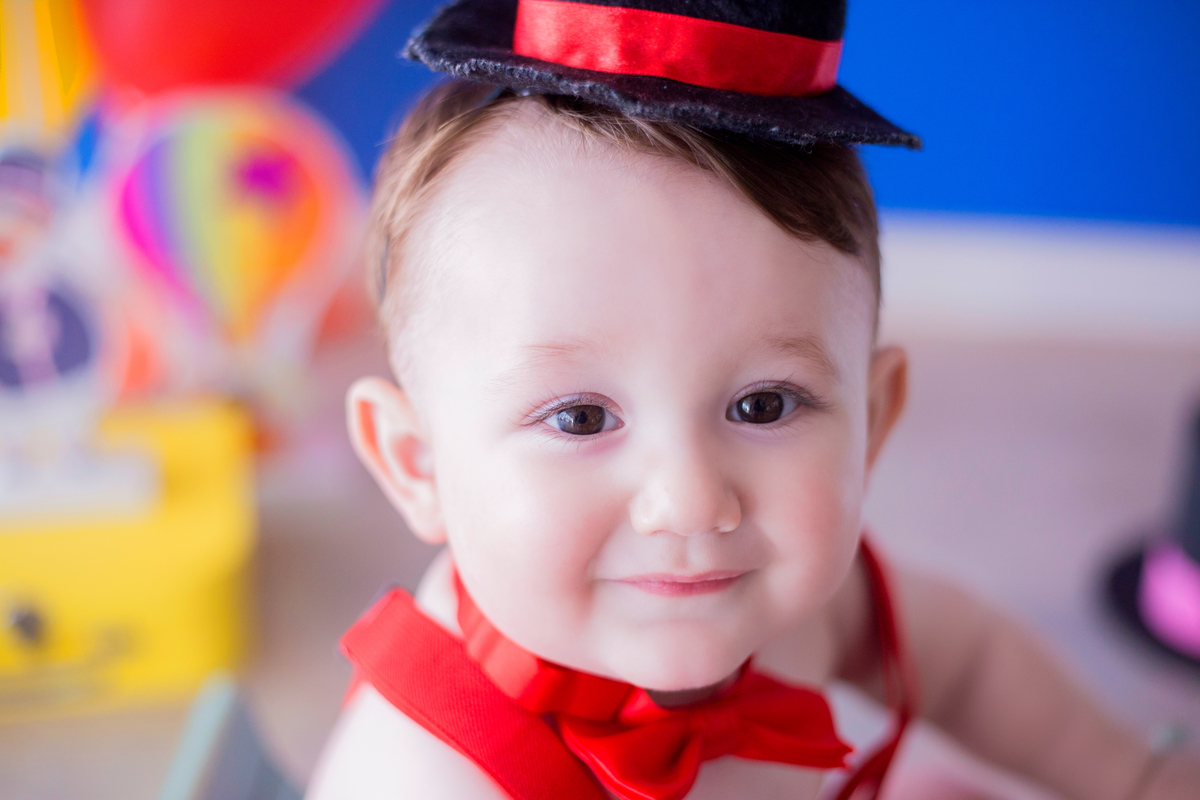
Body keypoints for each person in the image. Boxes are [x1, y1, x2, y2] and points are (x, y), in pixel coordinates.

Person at [307, 1, 1200, 798]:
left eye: (764, 406)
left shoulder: (793, 606)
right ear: (415, 463)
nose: (692, 498)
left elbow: (962, 662)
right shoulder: (426, 774)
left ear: (874, 420)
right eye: (580, 418)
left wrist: (1136, 775)